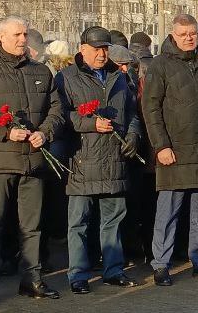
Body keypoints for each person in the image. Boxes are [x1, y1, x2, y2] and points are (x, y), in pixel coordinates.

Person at [0, 17, 65, 305]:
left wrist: (45, 133)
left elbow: (56, 109)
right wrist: (6, 133)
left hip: (33, 161)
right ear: (1, 36)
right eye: (17, 34)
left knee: (32, 225)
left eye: (25, 34)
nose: (22, 39)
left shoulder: (40, 70)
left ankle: (32, 279)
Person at [55, 26, 143, 294]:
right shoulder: (66, 78)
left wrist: (133, 135)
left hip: (114, 157)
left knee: (113, 219)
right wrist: (90, 123)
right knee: (79, 222)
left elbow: (132, 112)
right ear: (83, 49)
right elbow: (60, 116)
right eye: (97, 49)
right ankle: (78, 274)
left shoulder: (119, 77)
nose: (102, 54)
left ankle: (113, 270)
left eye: (105, 49)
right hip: (83, 158)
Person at [142, 13, 198, 286]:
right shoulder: (161, 65)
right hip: (173, 151)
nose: (189, 38)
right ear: (173, 36)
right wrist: (161, 145)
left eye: (193, 33)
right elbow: (150, 108)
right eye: (183, 34)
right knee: (168, 211)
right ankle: (161, 264)